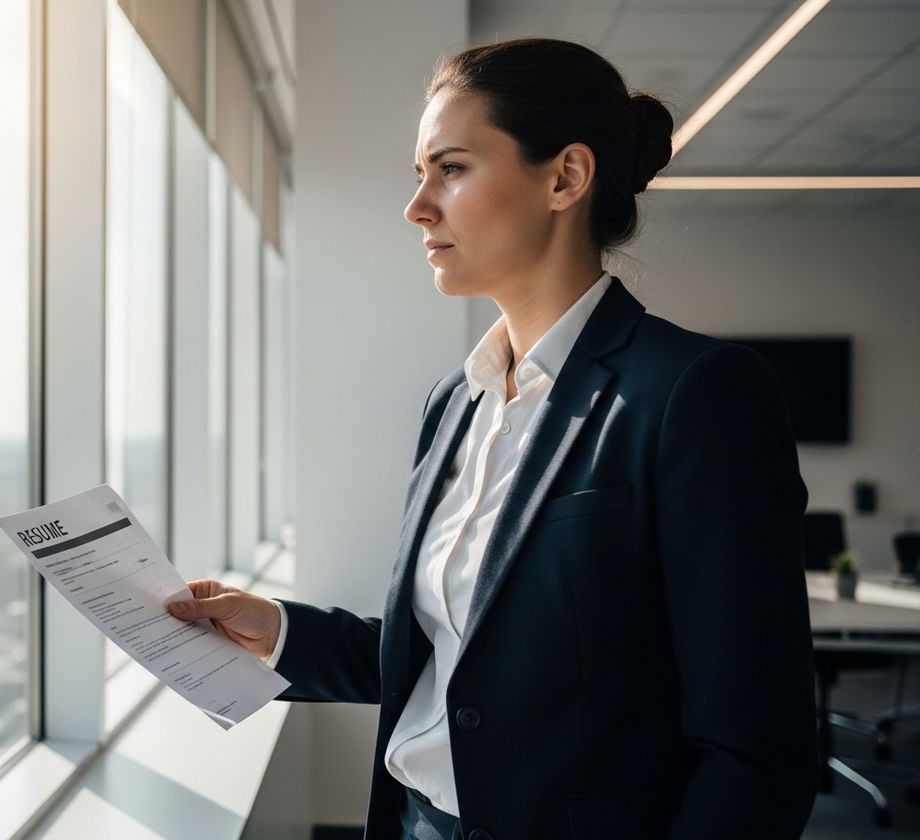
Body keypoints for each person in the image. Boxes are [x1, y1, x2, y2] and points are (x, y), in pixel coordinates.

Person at [169, 37, 818, 840]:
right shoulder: (459, 401)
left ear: (564, 177)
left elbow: (759, 746)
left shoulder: (693, 394)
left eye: (451, 168)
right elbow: (463, 655)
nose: (417, 207)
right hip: (416, 823)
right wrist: (281, 630)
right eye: (419, 175)